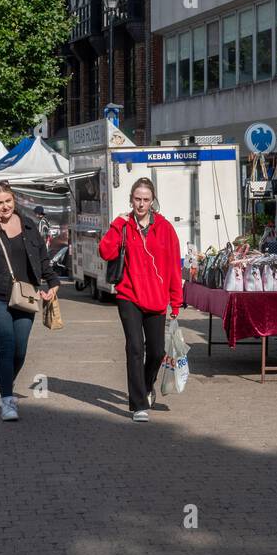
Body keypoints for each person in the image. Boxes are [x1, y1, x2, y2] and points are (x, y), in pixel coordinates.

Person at [0, 181, 59, 422]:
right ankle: (7, 399)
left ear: (14, 200)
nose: (5, 206)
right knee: (6, 345)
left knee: (20, 351)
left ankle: (5, 381)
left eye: (8, 201)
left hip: (25, 297)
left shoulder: (28, 226)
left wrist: (52, 283)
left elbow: (42, 258)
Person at [98, 177, 183, 423]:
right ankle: (138, 405)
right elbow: (105, 252)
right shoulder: (123, 226)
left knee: (156, 351)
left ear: (152, 200)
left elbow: (174, 267)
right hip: (129, 295)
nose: (141, 204)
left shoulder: (165, 228)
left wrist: (175, 302)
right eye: (137, 199)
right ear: (131, 199)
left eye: (146, 199)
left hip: (156, 299)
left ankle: (146, 385)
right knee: (135, 347)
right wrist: (117, 224)